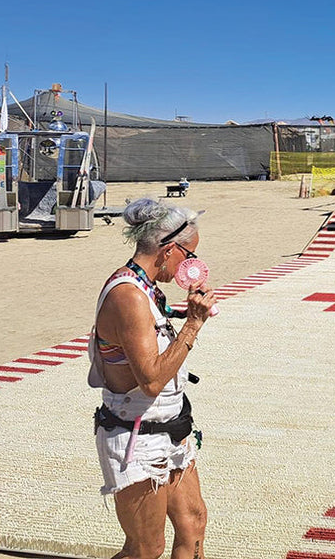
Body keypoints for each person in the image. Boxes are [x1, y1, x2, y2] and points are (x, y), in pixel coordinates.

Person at [89, 198, 218, 559]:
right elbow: (150, 380)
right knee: (145, 549)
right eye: (189, 256)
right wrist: (193, 324)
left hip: (170, 428)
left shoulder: (145, 287)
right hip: (136, 437)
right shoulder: (128, 295)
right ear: (169, 249)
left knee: (193, 522)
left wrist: (187, 314)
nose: (190, 266)